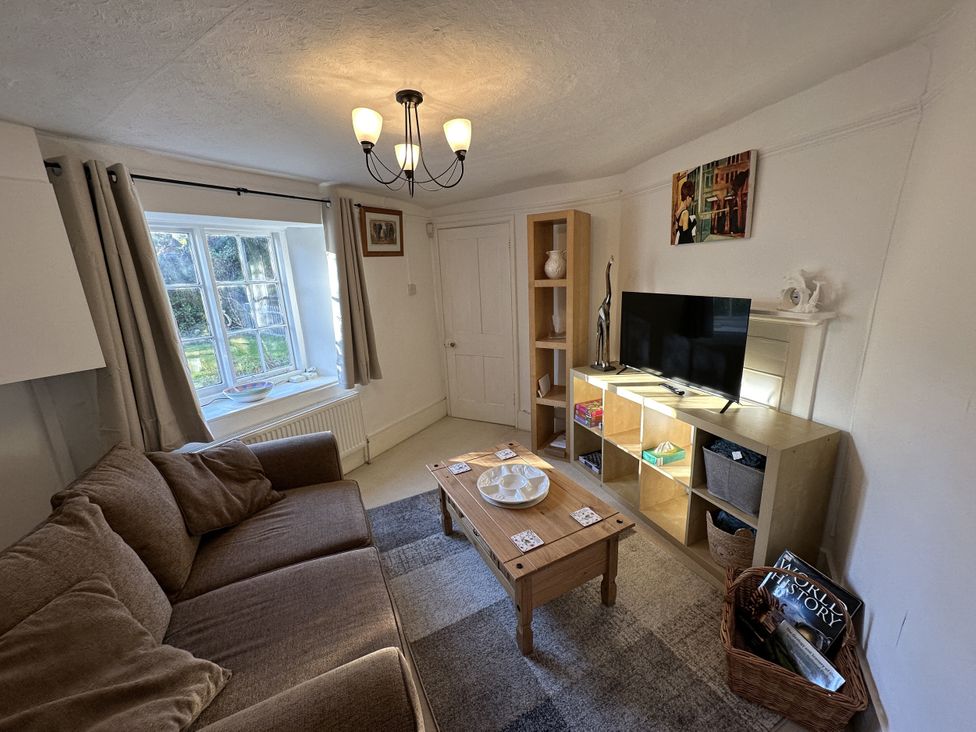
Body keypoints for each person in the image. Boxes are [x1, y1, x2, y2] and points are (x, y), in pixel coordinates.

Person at [673, 179, 697, 244]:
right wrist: (693, 223)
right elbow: (685, 236)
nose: (691, 201)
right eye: (692, 197)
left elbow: (678, 231)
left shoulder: (677, 213)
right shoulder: (685, 212)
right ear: (688, 197)